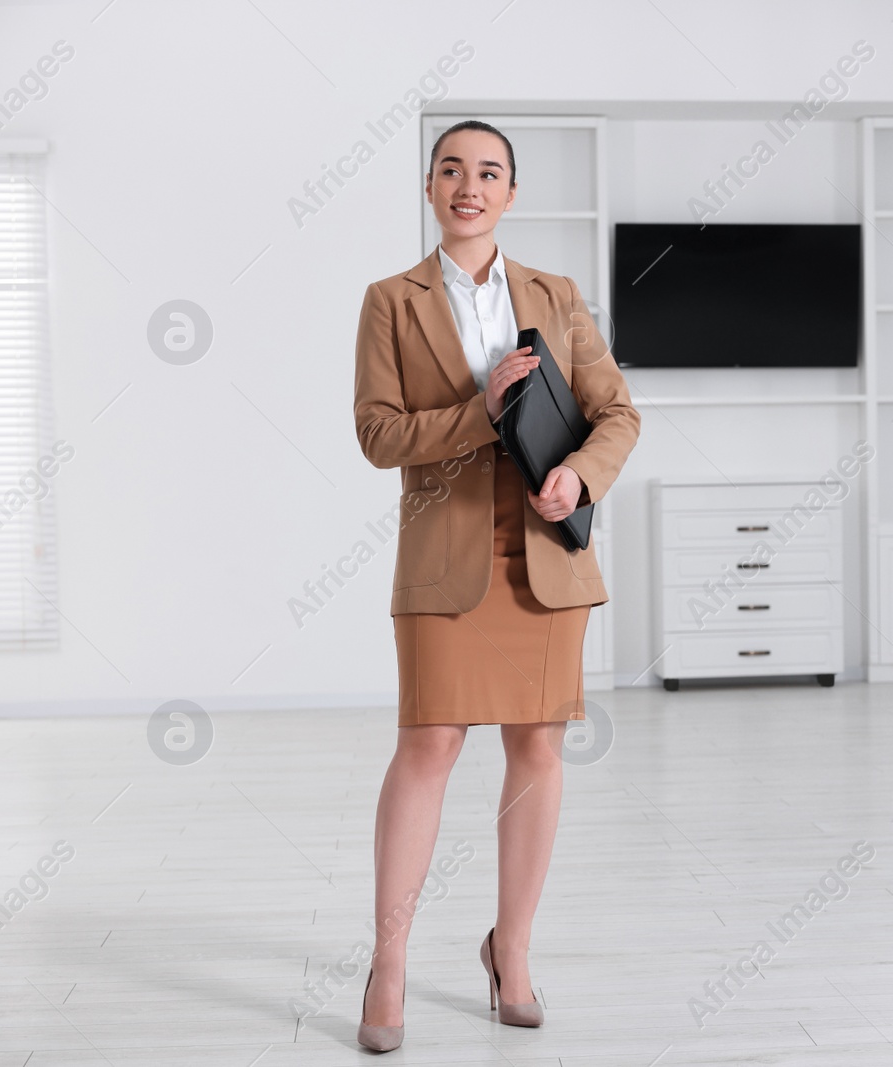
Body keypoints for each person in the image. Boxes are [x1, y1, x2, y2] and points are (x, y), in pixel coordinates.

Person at [350, 119, 639, 1052]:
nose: (468, 185)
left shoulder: (555, 295)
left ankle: (509, 947)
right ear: (430, 189)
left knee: (538, 750)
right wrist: (478, 412)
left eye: (489, 172)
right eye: (451, 170)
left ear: (511, 193)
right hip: (444, 555)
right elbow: (379, 435)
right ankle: (388, 959)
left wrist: (581, 477)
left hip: (546, 555)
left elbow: (616, 412)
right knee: (429, 745)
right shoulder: (390, 301)